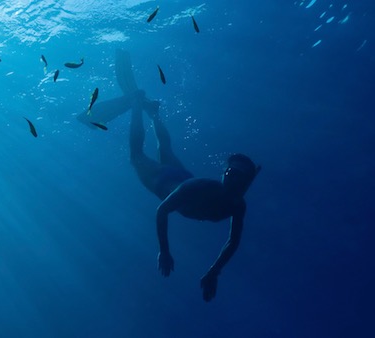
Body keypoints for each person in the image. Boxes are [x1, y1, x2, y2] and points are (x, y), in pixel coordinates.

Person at [78, 49, 261, 301]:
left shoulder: (238, 205)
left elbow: (233, 242)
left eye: (234, 174)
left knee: (165, 148)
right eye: (228, 171)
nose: (229, 176)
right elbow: (162, 210)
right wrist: (164, 251)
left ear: (244, 182)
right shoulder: (209, 188)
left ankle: (153, 113)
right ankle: (136, 105)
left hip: (181, 178)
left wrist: (214, 272)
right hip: (166, 181)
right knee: (136, 155)